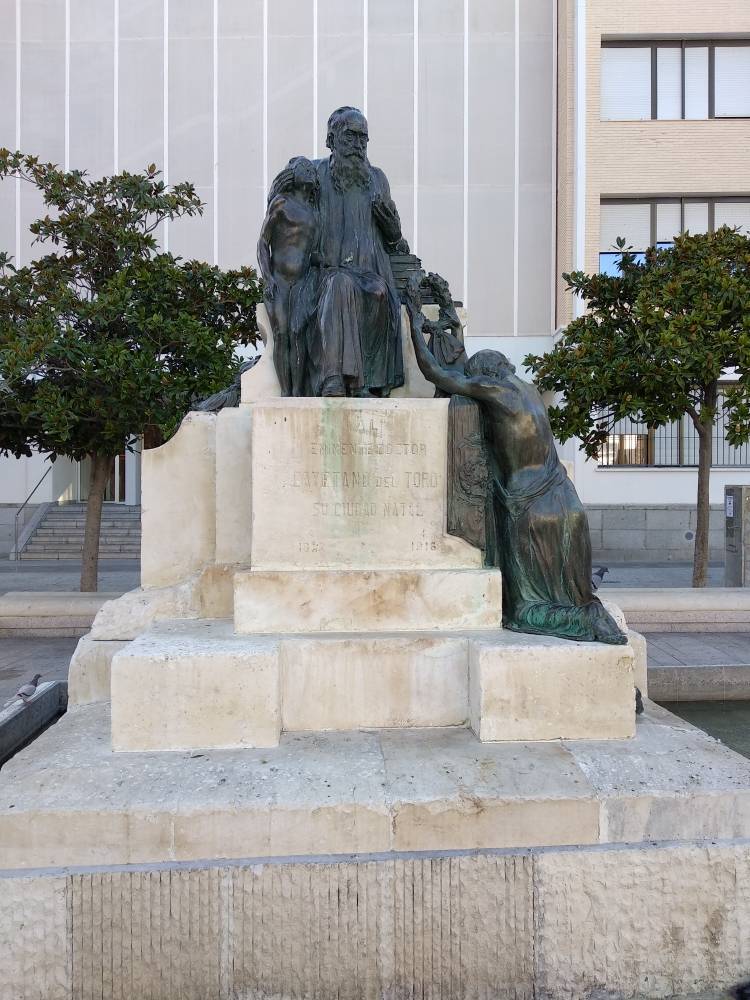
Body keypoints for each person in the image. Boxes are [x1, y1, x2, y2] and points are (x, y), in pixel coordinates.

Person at [404, 274, 627, 645]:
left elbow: (436, 372)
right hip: (566, 499)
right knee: (572, 592)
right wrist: (447, 313)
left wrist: (413, 322)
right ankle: (589, 612)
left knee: (524, 609)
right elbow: (460, 363)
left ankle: (582, 620)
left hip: (530, 508)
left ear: (484, 375)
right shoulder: (529, 389)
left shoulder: (492, 388)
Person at [261, 107, 404, 397]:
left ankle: (366, 382)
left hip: (369, 273)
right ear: (331, 140)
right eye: (350, 136)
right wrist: (277, 187)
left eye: (363, 138)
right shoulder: (313, 173)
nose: (357, 145)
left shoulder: (377, 179)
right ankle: (334, 379)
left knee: (378, 292)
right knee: (340, 285)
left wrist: (394, 230)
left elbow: (395, 240)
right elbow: (280, 205)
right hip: (322, 273)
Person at [257, 156, 320, 396]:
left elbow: (310, 251)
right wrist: (267, 277)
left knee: (298, 334)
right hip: (279, 281)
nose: (309, 171)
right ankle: (286, 393)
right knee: (282, 335)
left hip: (303, 281)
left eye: (310, 168)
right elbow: (263, 243)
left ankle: (297, 392)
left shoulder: (314, 210)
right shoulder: (281, 203)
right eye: (303, 167)